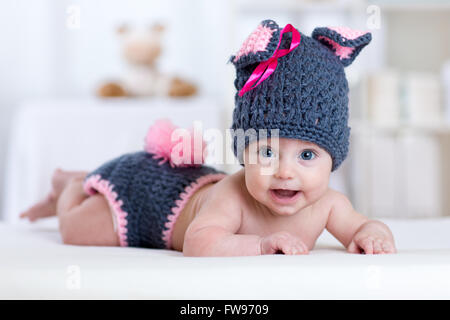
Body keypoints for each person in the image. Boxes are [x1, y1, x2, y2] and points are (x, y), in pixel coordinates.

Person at [20, 19, 396, 256]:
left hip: (180, 184)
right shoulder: (232, 196)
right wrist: (261, 246)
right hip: (141, 198)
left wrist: (374, 234)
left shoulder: (329, 204)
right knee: (77, 231)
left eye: (308, 156)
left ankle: (78, 182)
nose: (285, 172)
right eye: (266, 150)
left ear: (335, 156)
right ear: (244, 152)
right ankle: (70, 186)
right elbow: (200, 242)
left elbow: (362, 225)